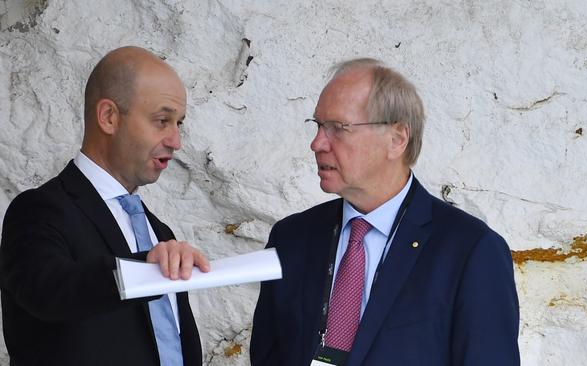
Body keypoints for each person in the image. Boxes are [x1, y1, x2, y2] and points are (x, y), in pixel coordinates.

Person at [250, 58, 520, 365]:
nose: (317, 143)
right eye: (318, 126)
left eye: (338, 128)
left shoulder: (470, 250)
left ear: (396, 139)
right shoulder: (291, 238)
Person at [0, 46, 210, 365]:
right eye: (162, 120)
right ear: (109, 117)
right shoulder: (37, 211)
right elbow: (50, 293)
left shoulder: (159, 232)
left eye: (178, 123)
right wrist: (144, 269)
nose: (176, 140)